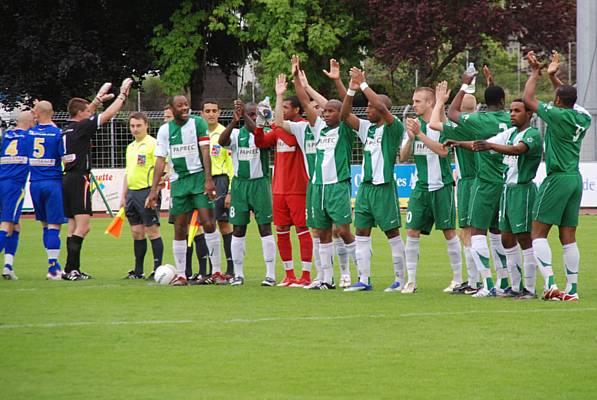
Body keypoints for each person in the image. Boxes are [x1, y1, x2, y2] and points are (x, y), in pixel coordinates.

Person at [446, 99, 543, 299]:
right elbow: (484, 144)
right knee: (507, 239)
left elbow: (517, 149)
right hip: (506, 189)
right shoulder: (510, 133)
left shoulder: (531, 134)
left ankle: (530, 288)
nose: (512, 114)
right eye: (511, 110)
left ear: (529, 114)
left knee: (524, 238)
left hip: (522, 190)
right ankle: (513, 286)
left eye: (517, 111)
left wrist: (488, 144)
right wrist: (459, 144)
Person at [523, 51, 592, 301]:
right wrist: (554, 77)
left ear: (559, 102)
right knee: (568, 237)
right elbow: (566, 96)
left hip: (557, 178)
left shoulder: (557, 114)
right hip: (574, 178)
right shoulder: (582, 117)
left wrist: (535, 72)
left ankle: (551, 284)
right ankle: (572, 289)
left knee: (537, 233)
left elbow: (528, 98)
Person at [285, 55, 358, 290]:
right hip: (317, 187)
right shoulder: (318, 130)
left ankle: (360, 275)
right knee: (321, 233)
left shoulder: (345, 130)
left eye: (330, 112)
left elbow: (346, 106)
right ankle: (326, 279)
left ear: (339, 115)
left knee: (343, 231)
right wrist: (296, 78)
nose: (325, 115)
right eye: (324, 112)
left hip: (337, 185)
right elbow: (306, 103)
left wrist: (342, 84)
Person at [339, 67, 407, 292]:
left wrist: (364, 84)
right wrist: (351, 89)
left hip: (384, 188)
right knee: (361, 233)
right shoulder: (367, 129)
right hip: (365, 189)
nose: (367, 109)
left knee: (392, 234)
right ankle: (364, 280)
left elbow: (378, 104)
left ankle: (399, 279)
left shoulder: (393, 126)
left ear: (383, 109)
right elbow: (345, 115)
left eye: (370, 106)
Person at [447, 71, 511, 297]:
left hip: (485, 182)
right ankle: (505, 282)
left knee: (476, 232)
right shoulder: (510, 118)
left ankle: (487, 284)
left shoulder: (479, 120)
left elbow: (452, 112)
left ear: (485, 102)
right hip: (507, 181)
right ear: (503, 102)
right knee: (497, 232)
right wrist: (492, 85)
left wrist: (464, 84)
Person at [145, 95, 222, 286]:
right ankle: (181, 275)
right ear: (172, 108)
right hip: (179, 182)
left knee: (208, 222)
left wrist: (208, 179)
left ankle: (217, 271)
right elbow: (160, 160)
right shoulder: (165, 130)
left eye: (187, 104)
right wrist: (153, 190)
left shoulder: (198, 123)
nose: (185, 108)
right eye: (180, 106)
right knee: (180, 227)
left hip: (198, 178)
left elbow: (205, 151)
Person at [61, 78, 133, 280]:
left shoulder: (67, 128)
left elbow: (88, 111)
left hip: (67, 178)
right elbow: (109, 114)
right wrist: (122, 95)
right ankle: (71, 269)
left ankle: (70, 269)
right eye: (87, 111)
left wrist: (97, 99)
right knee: (84, 226)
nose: (90, 113)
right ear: (80, 114)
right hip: (79, 179)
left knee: (73, 226)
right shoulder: (82, 126)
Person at [400, 87, 461, 294]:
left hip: (441, 186)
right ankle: (411, 281)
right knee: (411, 231)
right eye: (413, 101)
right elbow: (402, 157)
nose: (414, 104)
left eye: (418, 101)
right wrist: (410, 137)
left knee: (449, 232)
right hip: (420, 187)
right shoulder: (413, 126)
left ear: (429, 103)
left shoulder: (438, 124)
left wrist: (420, 134)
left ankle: (458, 279)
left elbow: (443, 152)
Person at [255, 90, 313, 288]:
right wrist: (259, 125)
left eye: (285, 107)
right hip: (279, 189)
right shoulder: (279, 130)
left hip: (298, 188)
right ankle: (289, 274)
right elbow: (261, 142)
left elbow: (289, 139)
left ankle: (305, 275)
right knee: (281, 229)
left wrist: (272, 121)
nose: (282, 111)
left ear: (297, 110)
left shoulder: (303, 127)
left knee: (302, 229)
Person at [429, 81, 480, 294]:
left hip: (469, 182)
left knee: (468, 234)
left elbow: (435, 124)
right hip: (484, 180)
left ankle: (474, 281)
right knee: (488, 233)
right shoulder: (482, 124)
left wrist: (440, 102)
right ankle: (493, 280)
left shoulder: (462, 129)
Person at [219, 100, 276, 286]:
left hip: (260, 185)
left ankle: (270, 274)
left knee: (265, 228)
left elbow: (259, 135)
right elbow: (221, 142)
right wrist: (235, 121)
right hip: (240, 186)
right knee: (238, 229)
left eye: (254, 115)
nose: (251, 118)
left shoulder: (265, 133)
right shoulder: (236, 134)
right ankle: (238, 274)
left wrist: (243, 114)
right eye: (249, 114)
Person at [119, 112, 164, 279]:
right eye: (132, 126)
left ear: (146, 125)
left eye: (138, 125)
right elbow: (127, 173)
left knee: (152, 231)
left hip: (147, 192)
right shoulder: (130, 147)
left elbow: (162, 171)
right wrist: (123, 196)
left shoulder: (153, 144)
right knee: (136, 232)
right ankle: (138, 271)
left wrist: (154, 193)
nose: (135, 129)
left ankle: (157, 269)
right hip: (132, 194)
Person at [29, 101, 66, 280]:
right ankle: (53, 269)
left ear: (37, 112)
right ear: (52, 114)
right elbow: (65, 158)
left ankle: (54, 265)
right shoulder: (57, 133)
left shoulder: (29, 133)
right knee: (54, 226)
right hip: (52, 183)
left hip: (34, 183)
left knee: (45, 225)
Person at [202, 99, 234, 278]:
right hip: (203, 181)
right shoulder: (199, 134)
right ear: (202, 114)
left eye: (214, 110)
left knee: (223, 224)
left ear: (219, 113)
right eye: (208, 111)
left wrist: (230, 190)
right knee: (207, 225)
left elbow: (231, 164)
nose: (211, 114)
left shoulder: (224, 134)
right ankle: (212, 268)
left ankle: (230, 268)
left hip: (220, 181)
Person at [0, 111, 34, 280]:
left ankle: (8, 266)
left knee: (15, 225)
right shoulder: (29, 137)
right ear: (29, 122)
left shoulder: (7, 135)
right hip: (14, 186)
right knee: (6, 225)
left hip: (2, 180)